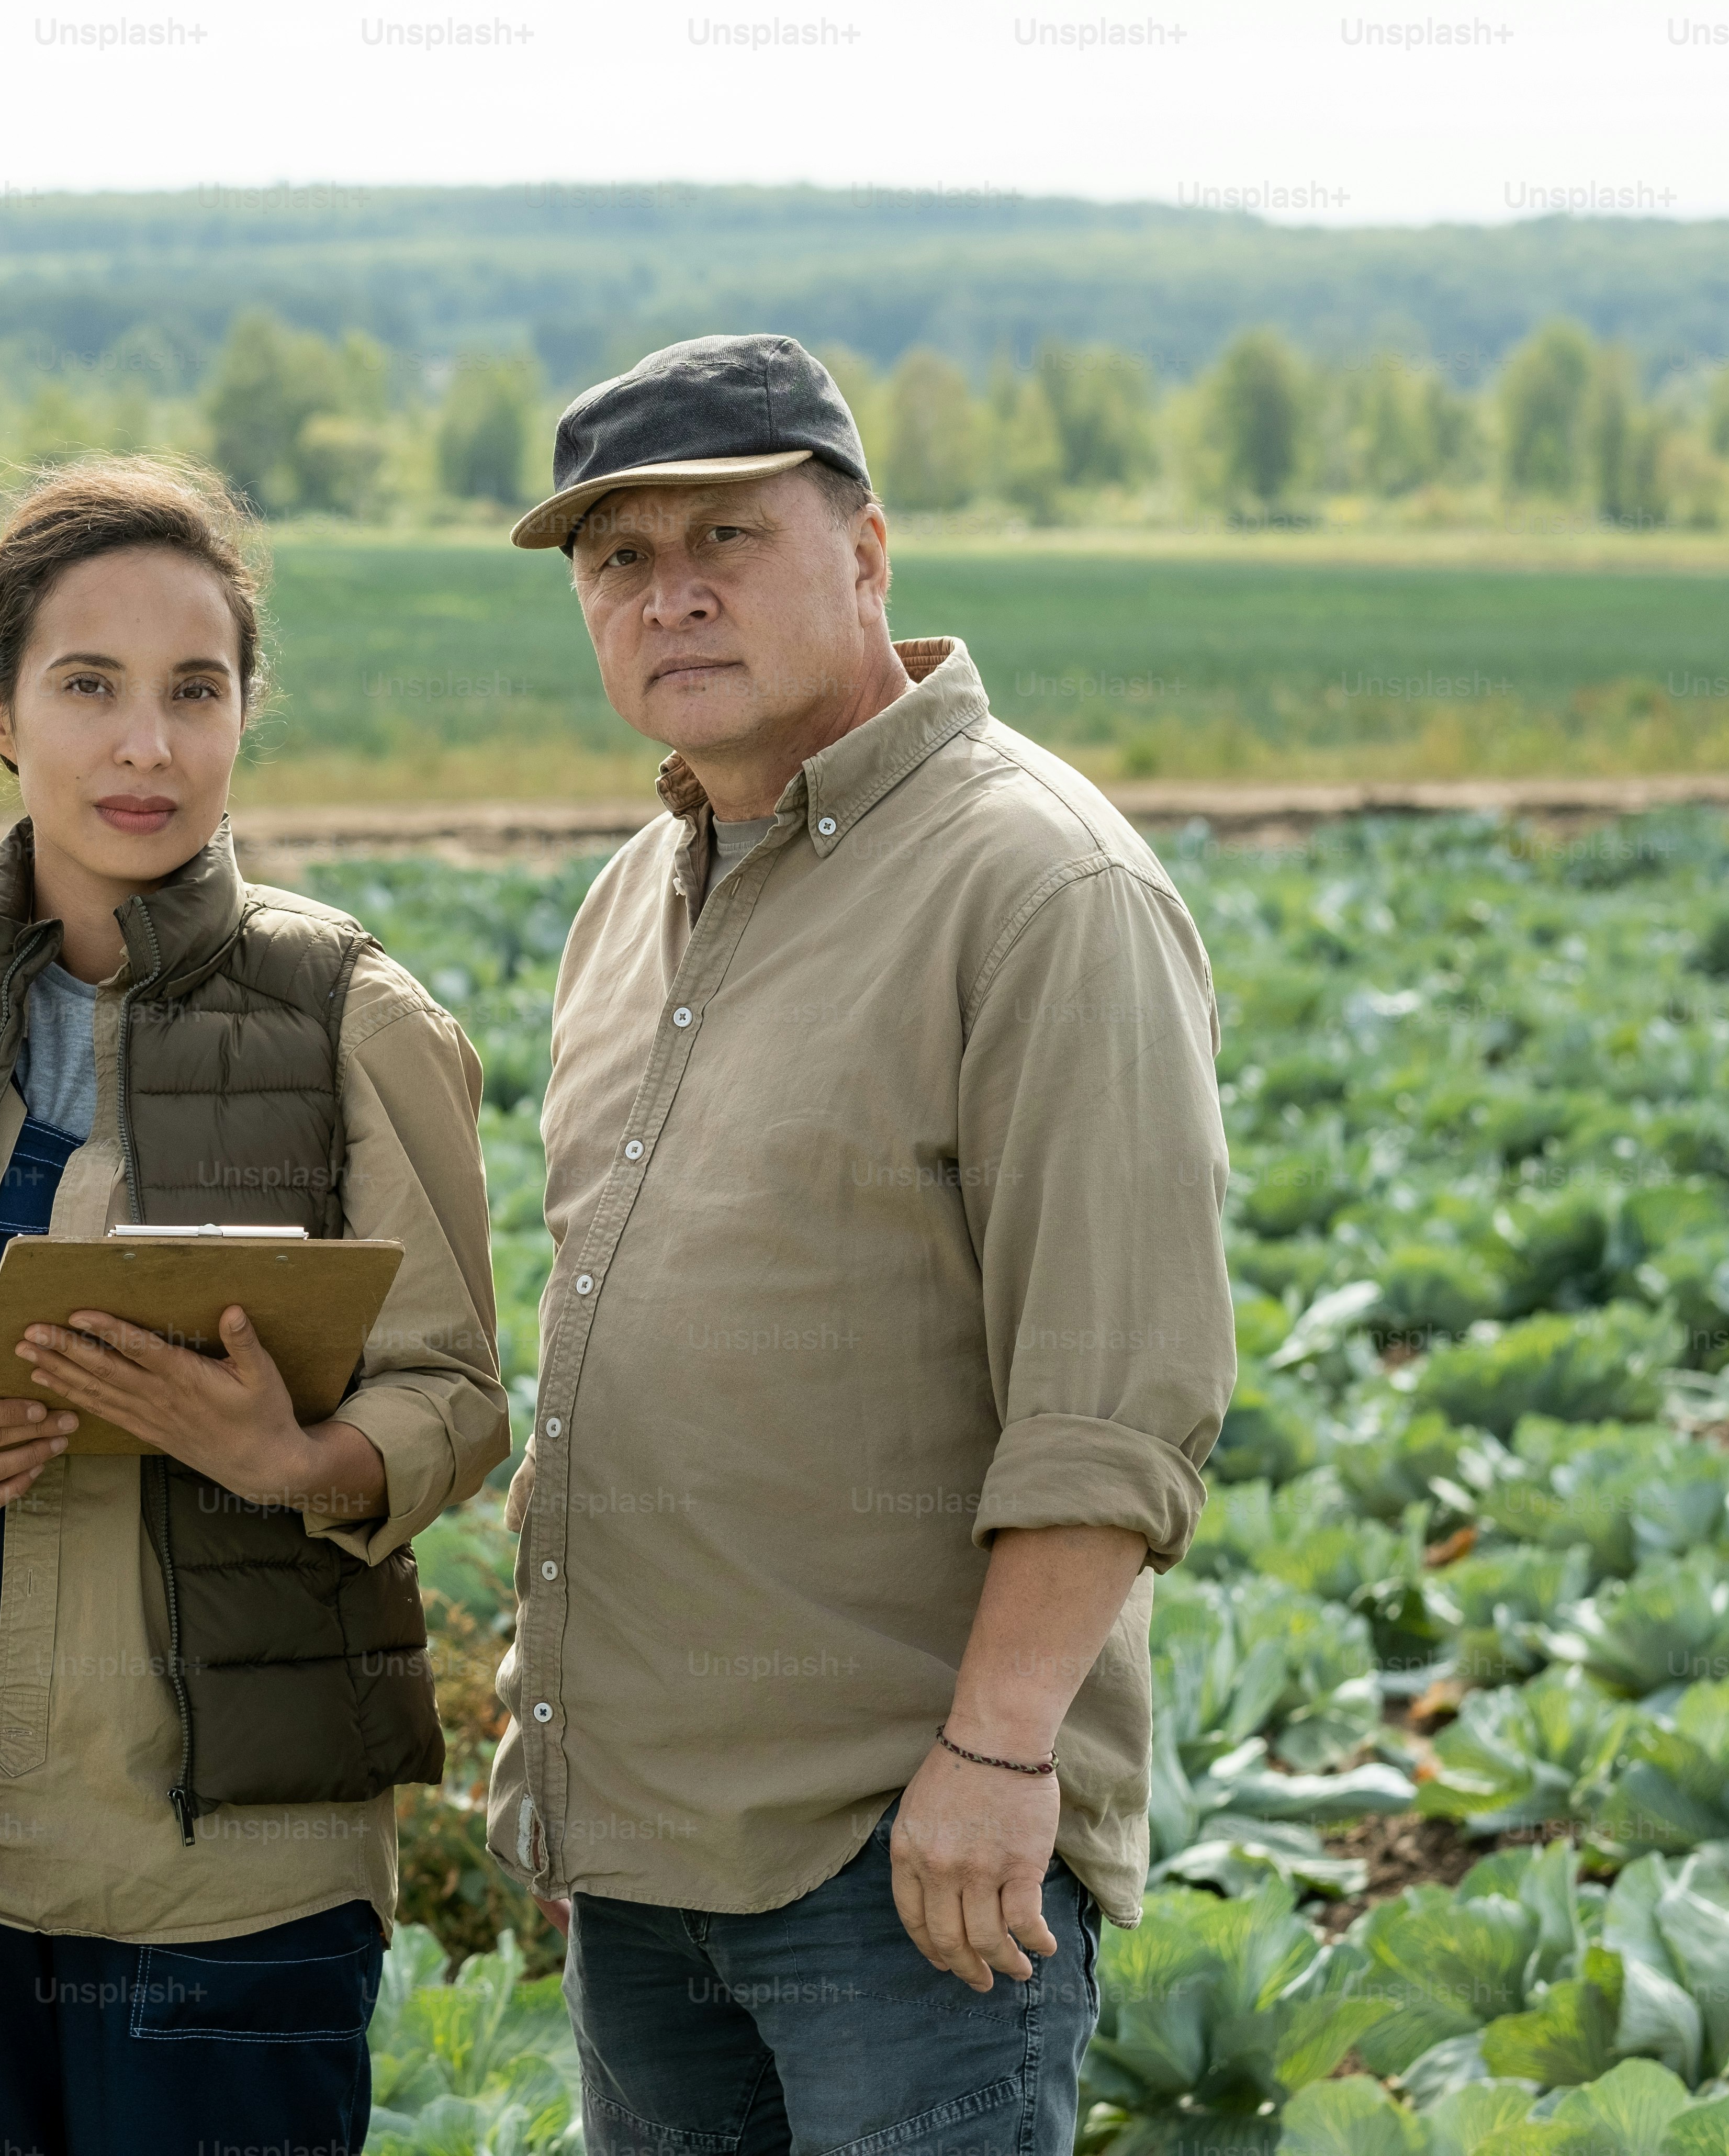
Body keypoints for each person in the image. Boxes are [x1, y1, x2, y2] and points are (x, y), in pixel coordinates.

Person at [0, 456, 508, 2154]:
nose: (149, 746)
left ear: (243, 715)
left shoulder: (359, 1021)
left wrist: (295, 1459)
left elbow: (457, 1396)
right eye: (91, 688)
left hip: (225, 1867)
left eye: (194, 693)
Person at [485, 334, 1237, 2155]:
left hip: (907, 1865)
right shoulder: (635, 896)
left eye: (726, 540)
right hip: (649, 1865)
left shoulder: (1039, 885)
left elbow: (1114, 1398)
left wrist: (995, 1761)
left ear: (870, 551)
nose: (670, 598)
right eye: (619, 563)